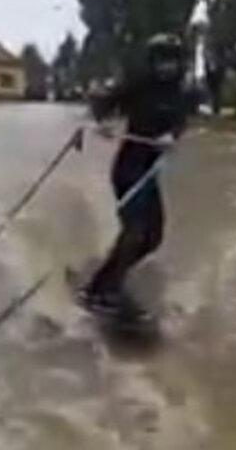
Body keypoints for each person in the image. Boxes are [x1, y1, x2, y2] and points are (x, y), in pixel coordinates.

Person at [81, 33, 188, 317]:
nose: (167, 66)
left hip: (150, 171)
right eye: (161, 60)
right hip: (129, 168)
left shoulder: (179, 93)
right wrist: (100, 122)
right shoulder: (138, 85)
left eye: (172, 60)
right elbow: (100, 104)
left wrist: (172, 135)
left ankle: (106, 279)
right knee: (134, 230)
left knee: (153, 237)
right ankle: (104, 290)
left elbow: (180, 123)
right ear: (152, 61)